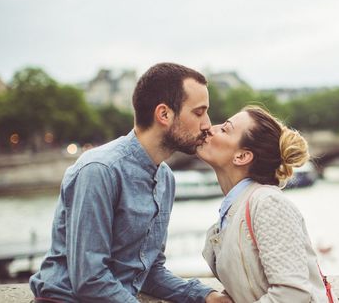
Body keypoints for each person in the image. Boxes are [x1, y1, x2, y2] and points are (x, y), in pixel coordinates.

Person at [29, 63, 232, 303]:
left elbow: (149, 272)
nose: (207, 123)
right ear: (164, 114)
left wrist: (205, 295)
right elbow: (89, 280)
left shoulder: (165, 178)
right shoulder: (100, 170)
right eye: (199, 113)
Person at [198, 105, 337, 303]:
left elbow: (292, 294)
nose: (210, 128)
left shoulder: (268, 203)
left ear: (242, 156)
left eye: (225, 129)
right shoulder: (234, 208)